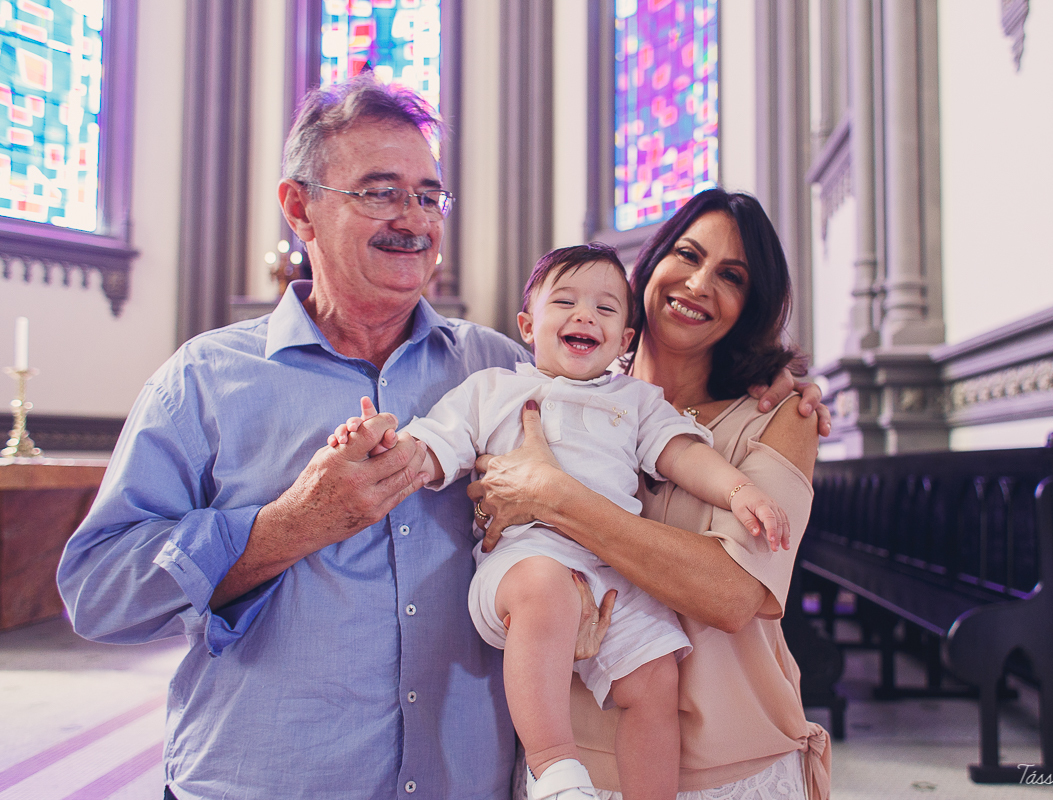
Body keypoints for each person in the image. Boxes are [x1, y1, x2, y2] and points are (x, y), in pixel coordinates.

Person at [57, 73, 827, 799]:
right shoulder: (205, 381)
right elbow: (98, 595)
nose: (414, 218)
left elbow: (634, 404)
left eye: (429, 195)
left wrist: (773, 378)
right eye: (379, 193)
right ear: (299, 208)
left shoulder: (500, 366)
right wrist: (289, 527)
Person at [330, 244, 791, 800]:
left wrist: (739, 489)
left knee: (656, 675)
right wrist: (383, 447)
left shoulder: (638, 402)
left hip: (615, 570)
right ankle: (556, 771)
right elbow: (434, 444)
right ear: (528, 324)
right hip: (524, 564)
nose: (584, 316)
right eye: (566, 301)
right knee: (545, 588)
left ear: (624, 341)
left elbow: (683, 455)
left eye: (604, 308)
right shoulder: (493, 390)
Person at [469, 189, 832, 800]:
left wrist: (556, 498)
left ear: (751, 304)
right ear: (651, 264)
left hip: (734, 765)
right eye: (686, 255)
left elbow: (733, 594)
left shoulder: (782, 412)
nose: (696, 283)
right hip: (576, 764)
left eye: (731, 276)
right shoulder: (560, 393)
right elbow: (492, 513)